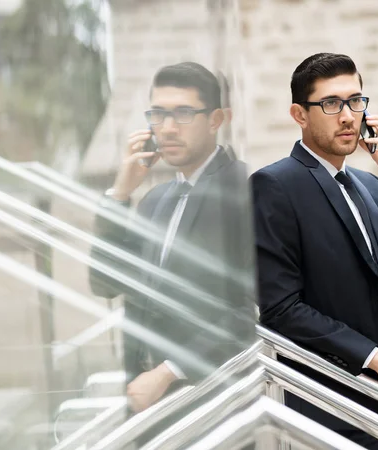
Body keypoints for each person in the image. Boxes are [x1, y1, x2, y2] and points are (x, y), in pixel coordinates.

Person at [251, 53, 378, 449]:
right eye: (331, 104)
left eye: (356, 101)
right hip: (334, 408)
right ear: (300, 114)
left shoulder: (374, 185)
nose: (348, 116)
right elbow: (280, 308)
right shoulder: (274, 185)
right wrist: (377, 359)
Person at [89, 61, 255, 413]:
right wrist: (119, 194)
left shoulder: (245, 189)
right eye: (157, 114)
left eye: (182, 114)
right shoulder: (153, 200)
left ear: (215, 121)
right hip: (149, 401)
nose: (166, 128)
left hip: (214, 400)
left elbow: (249, 310)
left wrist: (168, 372)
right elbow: (104, 283)